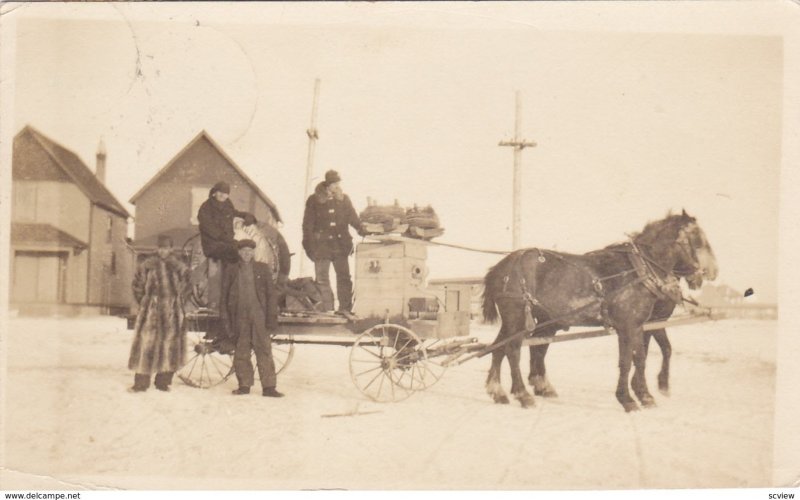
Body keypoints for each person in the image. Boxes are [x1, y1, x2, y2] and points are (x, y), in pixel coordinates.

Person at [221, 239, 284, 397]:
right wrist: (226, 321)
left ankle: (269, 387)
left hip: (259, 316)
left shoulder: (262, 269)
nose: (246, 254)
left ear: (254, 252)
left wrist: (271, 318)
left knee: (264, 350)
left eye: (249, 251)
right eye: (243, 251)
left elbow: (271, 295)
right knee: (241, 350)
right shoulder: (231, 269)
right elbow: (224, 297)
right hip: (239, 316)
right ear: (239, 252)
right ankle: (244, 385)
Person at [128, 235, 191, 392]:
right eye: (161, 248)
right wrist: (145, 301)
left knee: (169, 344)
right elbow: (137, 285)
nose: (163, 251)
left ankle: (163, 382)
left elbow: (188, 286)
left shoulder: (179, 267)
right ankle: (141, 383)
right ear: (157, 249)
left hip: (172, 311)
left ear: (171, 249)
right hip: (151, 310)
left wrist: (178, 301)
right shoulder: (147, 266)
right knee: (146, 344)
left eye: (166, 248)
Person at [302, 170, 362, 316]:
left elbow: (353, 218)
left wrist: (363, 229)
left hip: (340, 246)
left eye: (338, 183)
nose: (337, 186)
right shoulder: (314, 200)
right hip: (321, 246)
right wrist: (309, 246)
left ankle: (345, 308)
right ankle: (328, 309)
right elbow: (307, 225)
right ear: (327, 185)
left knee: (343, 277)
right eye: (334, 183)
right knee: (322, 278)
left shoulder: (344, 200)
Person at [197, 181, 256, 311]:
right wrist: (226, 239)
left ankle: (239, 290)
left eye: (226, 194)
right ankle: (228, 292)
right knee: (235, 253)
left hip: (226, 243)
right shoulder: (206, 207)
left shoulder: (227, 204)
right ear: (215, 192)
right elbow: (208, 228)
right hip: (212, 245)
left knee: (241, 252)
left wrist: (246, 215)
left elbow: (234, 213)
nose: (223, 196)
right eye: (220, 193)